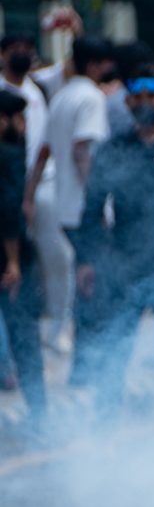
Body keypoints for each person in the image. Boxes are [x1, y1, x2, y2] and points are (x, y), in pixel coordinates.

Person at [69, 70, 154, 426]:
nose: (145, 103)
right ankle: (105, 428)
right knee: (116, 347)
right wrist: (86, 260)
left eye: (152, 96)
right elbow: (92, 209)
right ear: (127, 102)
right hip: (125, 264)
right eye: (137, 96)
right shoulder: (113, 151)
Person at [29, 38, 116, 346]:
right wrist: (97, 201)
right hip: (83, 207)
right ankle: (91, 354)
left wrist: (28, 197)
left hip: (63, 206)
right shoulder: (91, 97)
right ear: (94, 65)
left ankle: (76, 347)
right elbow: (82, 150)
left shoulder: (61, 97)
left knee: (80, 279)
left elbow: (43, 153)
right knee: (93, 285)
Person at [0, 89, 46, 430]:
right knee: (24, 337)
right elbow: (9, 209)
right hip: (8, 258)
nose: (23, 125)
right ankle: (39, 415)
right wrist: (13, 261)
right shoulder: (9, 153)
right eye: (18, 118)